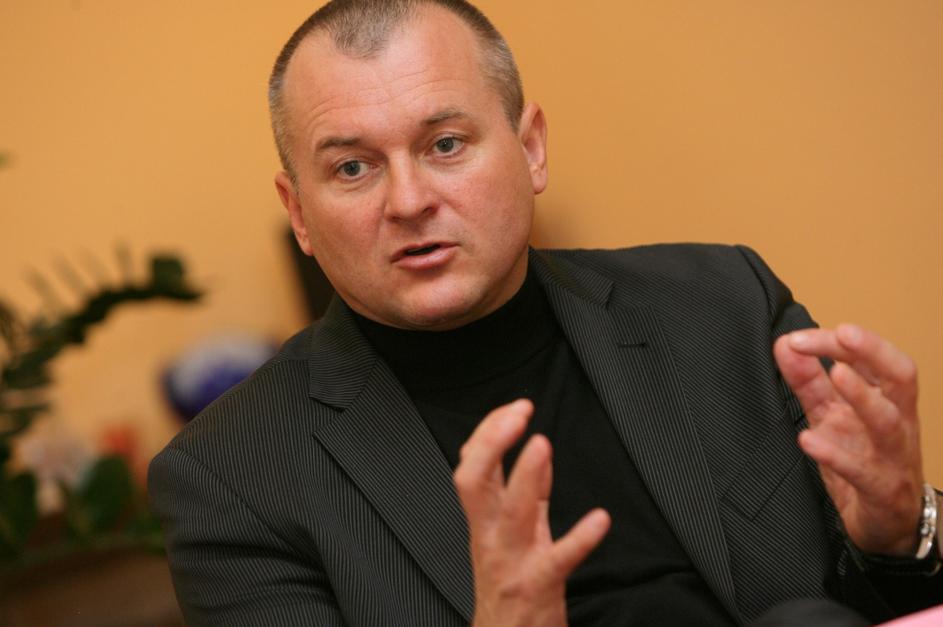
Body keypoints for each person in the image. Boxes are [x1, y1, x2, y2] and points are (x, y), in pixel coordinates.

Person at [148, 1, 943, 625]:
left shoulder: (722, 305)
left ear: (530, 148)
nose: (409, 200)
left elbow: (889, 599)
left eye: (445, 144)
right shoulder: (232, 479)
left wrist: (897, 534)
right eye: (352, 167)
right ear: (298, 211)